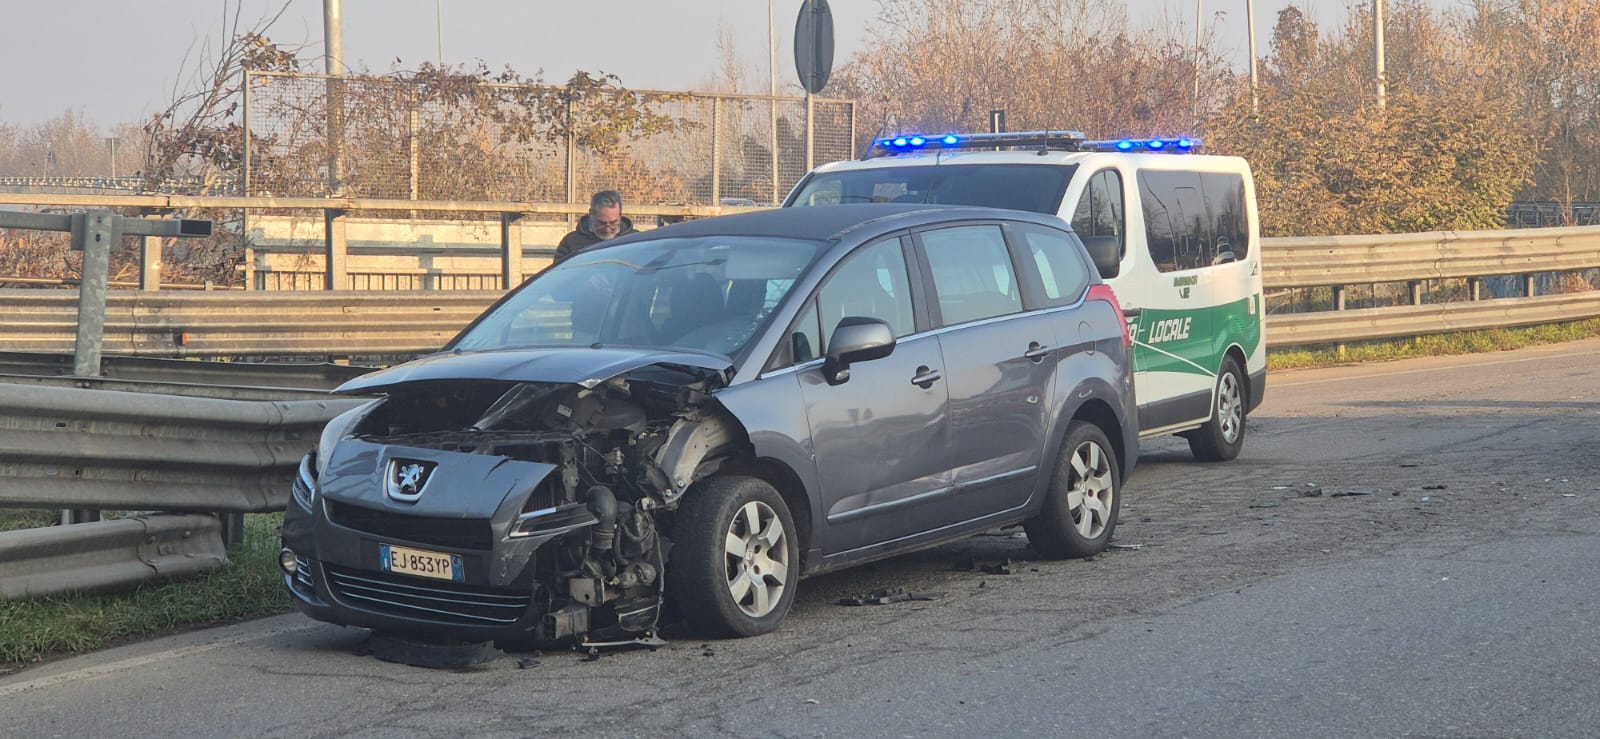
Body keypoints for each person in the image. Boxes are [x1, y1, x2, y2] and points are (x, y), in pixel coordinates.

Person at [554, 190, 635, 264]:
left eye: (613, 222)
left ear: (620, 215)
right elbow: (558, 275)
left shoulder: (635, 242)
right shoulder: (570, 243)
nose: (607, 229)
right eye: (602, 223)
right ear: (591, 213)